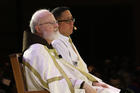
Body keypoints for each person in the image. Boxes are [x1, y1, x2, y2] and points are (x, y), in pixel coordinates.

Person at [22, 9, 120, 93]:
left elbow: (60, 77)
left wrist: (86, 83)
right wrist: (83, 85)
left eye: (56, 22)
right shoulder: (37, 50)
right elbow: (54, 82)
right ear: (38, 28)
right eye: (51, 23)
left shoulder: (43, 49)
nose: (56, 26)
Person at [51, 7, 88, 73]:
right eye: (67, 20)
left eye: (72, 19)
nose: (72, 23)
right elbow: (70, 72)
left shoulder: (67, 40)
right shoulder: (56, 43)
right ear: (56, 23)